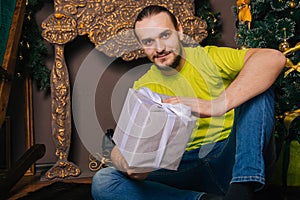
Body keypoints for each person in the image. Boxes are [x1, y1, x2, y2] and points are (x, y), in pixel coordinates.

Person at [92, 5, 286, 200]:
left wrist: (216, 105)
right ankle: (201, 199)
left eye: (165, 35)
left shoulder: (209, 57)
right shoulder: (144, 86)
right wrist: (128, 163)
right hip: (182, 167)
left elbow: (273, 58)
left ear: (180, 30)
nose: (159, 48)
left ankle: (242, 189)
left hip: (230, 158)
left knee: (259, 88)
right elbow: (119, 146)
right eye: (149, 41)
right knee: (104, 181)